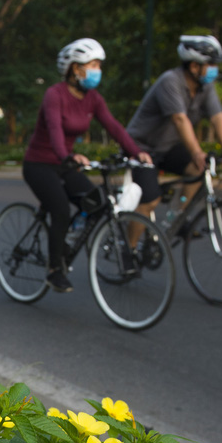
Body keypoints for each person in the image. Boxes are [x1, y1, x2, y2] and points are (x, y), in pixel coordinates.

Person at [23, 39, 152, 293]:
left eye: (98, 66)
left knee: (99, 201)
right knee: (59, 208)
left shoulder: (93, 98)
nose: (97, 71)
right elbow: (55, 128)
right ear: (75, 69)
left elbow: (113, 126)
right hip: (39, 164)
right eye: (92, 65)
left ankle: (66, 241)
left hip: (65, 163)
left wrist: (136, 153)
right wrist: (66, 156)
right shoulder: (54, 94)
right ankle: (54, 270)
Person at [125, 35, 222, 240]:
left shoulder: (206, 87)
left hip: (168, 147)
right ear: (194, 66)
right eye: (210, 64)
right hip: (141, 148)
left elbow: (218, 116)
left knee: (198, 168)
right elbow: (179, 119)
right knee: (149, 200)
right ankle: (128, 252)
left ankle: (175, 218)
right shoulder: (170, 81)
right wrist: (196, 152)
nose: (214, 69)